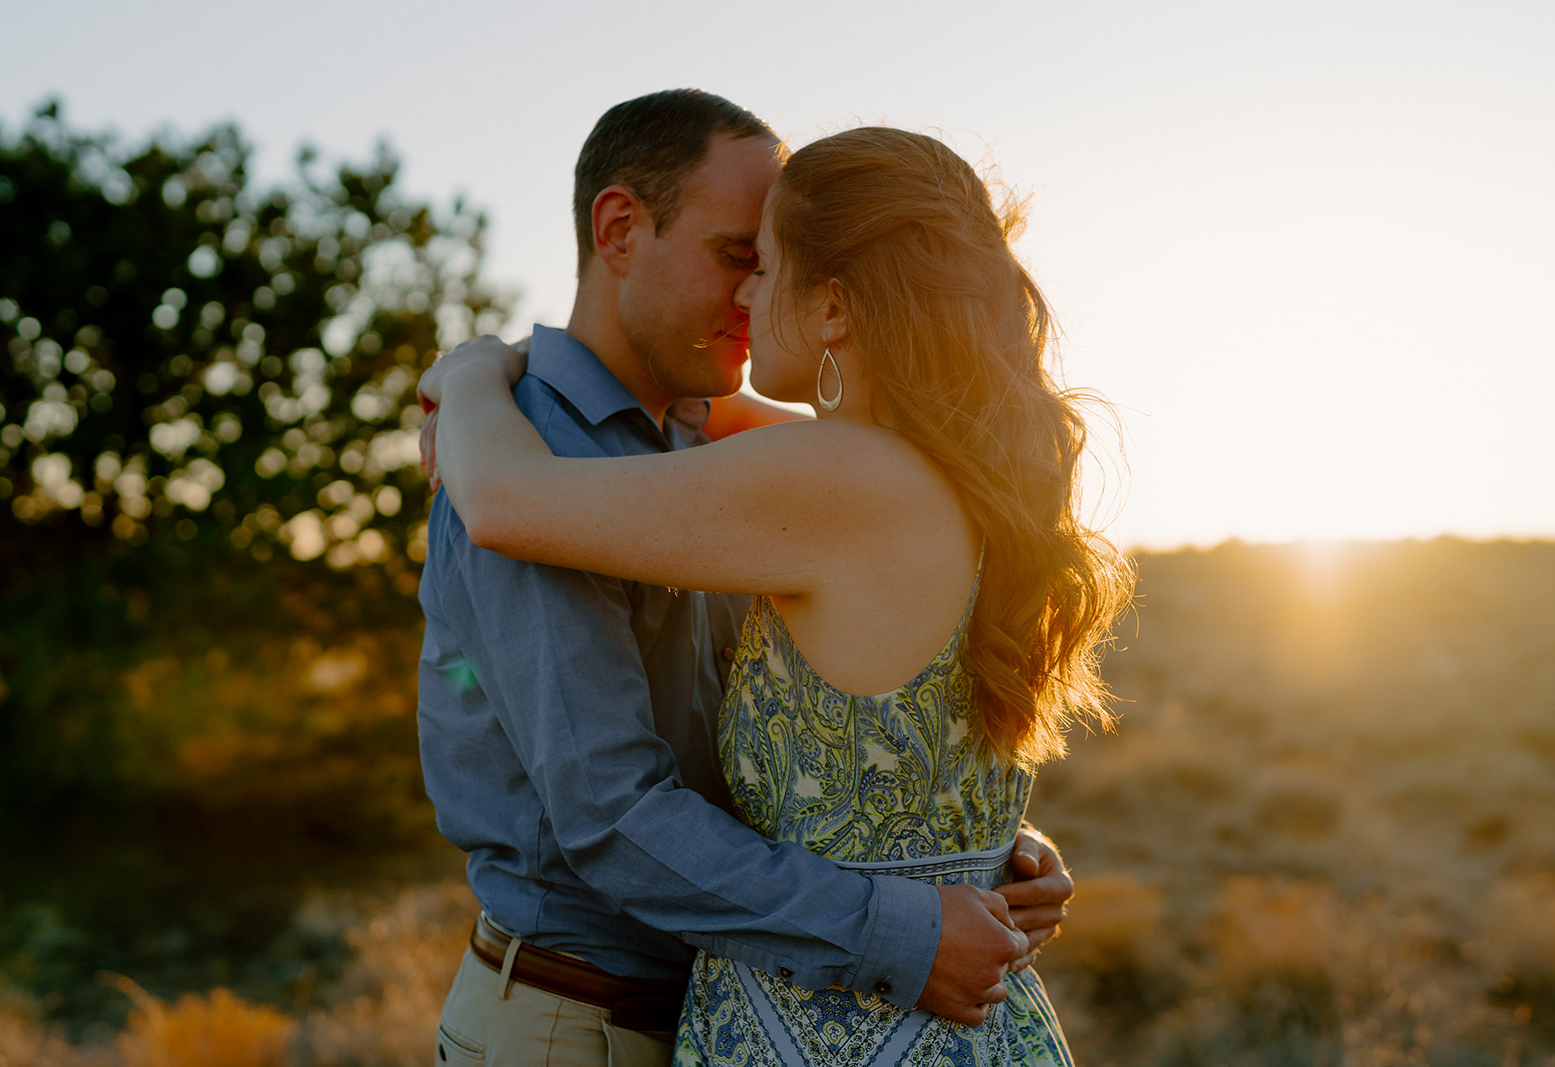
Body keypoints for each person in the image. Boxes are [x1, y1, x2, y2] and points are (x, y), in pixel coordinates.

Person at [421, 118, 1131, 1067]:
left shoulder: (790, 474)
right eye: (733, 256)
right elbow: (614, 810)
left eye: (767, 262)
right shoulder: (920, 468)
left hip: (810, 1014)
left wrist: (467, 373)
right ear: (620, 229)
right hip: (578, 1016)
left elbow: (508, 499)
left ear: (833, 304)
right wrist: (943, 870)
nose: (752, 293)